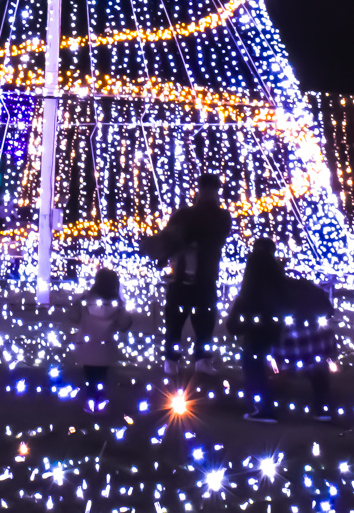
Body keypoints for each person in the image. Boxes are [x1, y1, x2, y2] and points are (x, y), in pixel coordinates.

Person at [228, 237, 333, 422]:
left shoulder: (250, 294)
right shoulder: (297, 284)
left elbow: (232, 326)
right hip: (315, 346)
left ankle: (265, 407)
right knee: (315, 360)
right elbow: (328, 309)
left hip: (282, 349)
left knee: (251, 355)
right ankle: (322, 408)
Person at [148, 173, 232, 375]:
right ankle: (175, 359)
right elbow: (168, 239)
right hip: (185, 277)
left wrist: (182, 241)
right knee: (178, 320)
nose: (208, 193)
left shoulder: (215, 216)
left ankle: (196, 360)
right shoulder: (190, 214)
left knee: (203, 320)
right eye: (206, 189)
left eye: (211, 189)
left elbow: (214, 238)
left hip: (202, 276)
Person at [70, 267, 133, 411]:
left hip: (85, 347)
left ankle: (90, 400)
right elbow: (124, 325)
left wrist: (78, 302)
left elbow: (73, 317)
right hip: (105, 349)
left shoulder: (86, 300)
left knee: (90, 375)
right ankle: (99, 399)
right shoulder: (117, 305)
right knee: (101, 375)